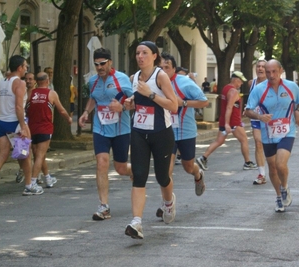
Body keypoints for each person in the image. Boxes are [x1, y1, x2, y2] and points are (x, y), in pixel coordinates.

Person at [123, 41, 178, 239]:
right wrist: (131, 103)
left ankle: (169, 202)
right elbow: (137, 101)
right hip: (138, 131)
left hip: (161, 133)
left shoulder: (161, 76)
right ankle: (136, 222)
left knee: (162, 177)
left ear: (154, 56)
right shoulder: (134, 77)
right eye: (138, 53)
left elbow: (174, 106)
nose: (140, 56)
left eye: (144, 53)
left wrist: (151, 94)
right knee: (139, 175)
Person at [79, 48, 133, 221]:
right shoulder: (93, 81)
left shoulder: (122, 79)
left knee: (120, 168)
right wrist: (86, 112)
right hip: (100, 129)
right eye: (96, 64)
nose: (100, 67)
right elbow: (94, 98)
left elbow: (136, 102)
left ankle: (135, 171)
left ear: (110, 62)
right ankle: (104, 206)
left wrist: (122, 107)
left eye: (103, 63)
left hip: (121, 130)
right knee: (101, 162)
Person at [245, 59, 299, 212]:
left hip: (287, 131)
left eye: (274, 72)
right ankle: (279, 196)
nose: (271, 75)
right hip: (268, 133)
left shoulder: (291, 86)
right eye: (268, 72)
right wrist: (259, 117)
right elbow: (247, 110)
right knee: (272, 167)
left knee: (280, 164)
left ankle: (284, 187)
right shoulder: (259, 89)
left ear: (280, 71)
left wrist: (298, 111)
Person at [0, 55, 43, 200]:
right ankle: (29, 186)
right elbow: (18, 107)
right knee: (25, 154)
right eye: (25, 66)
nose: (26, 69)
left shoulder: (2, 82)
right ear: (19, 67)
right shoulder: (19, 83)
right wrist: (23, 126)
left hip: (2, 123)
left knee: (2, 155)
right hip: (15, 122)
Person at [159, 52, 208, 202]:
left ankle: (198, 174)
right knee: (167, 170)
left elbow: (204, 102)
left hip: (186, 131)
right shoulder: (156, 84)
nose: (163, 70)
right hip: (167, 132)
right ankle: (167, 203)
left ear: (174, 69)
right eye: (160, 67)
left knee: (188, 166)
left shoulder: (185, 83)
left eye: (167, 67)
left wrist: (184, 103)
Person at [196, 71, 257, 171]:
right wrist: (228, 124)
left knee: (219, 141)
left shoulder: (225, 88)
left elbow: (230, 106)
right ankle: (247, 162)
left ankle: (203, 158)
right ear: (236, 80)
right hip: (233, 121)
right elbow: (229, 107)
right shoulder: (233, 91)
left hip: (225, 119)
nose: (241, 84)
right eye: (241, 81)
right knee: (244, 140)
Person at [26, 72, 72, 189]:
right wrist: (68, 118)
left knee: (39, 155)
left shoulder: (30, 93)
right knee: (40, 156)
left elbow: (25, 109)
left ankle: (47, 178)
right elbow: (61, 110)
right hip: (45, 128)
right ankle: (33, 182)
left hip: (31, 128)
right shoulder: (51, 94)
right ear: (47, 81)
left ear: (36, 81)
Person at [247, 59, 267, 185]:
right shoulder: (251, 83)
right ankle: (262, 174)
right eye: (258, 66)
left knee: (272, 147)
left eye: (263, 67)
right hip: (256, 117)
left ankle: (276, 168)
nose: (260, 69)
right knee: (258, 142)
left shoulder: (272, 83)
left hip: (270, 118)